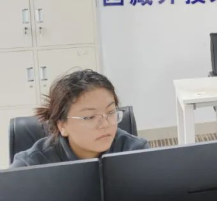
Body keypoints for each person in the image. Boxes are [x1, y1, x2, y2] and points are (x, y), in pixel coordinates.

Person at [11, 69, 148, 168]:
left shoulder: (135, 151)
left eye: (111, 112)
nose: (105, 124)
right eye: (90, 117)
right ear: (62, 125)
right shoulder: (32, 164)